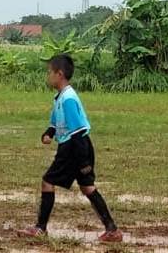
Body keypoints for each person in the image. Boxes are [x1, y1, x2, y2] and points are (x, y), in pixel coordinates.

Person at [17, 54, 122, 242]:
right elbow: (55, 123)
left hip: (73, 148)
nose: (47, 76)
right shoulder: (60, 98)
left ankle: (40, 228)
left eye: (49, 72)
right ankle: (112, 229)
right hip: (73, 146)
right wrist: (48, 133)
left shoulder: (68, 99)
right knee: (87, 187)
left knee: (47, 181)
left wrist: (83, 162)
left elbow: (78, 131)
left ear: (60, 74)